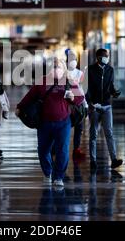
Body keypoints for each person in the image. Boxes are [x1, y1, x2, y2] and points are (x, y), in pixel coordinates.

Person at [16, 58, 84, 187]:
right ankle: (48, 172)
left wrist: (73, 97)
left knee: (62, 151)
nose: (55, 68)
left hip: (63, 123)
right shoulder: (42, 82)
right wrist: (19, 107)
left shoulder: (69, 81)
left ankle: (59, 177)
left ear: (63, 68)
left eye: (58, 66)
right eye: (53, 66)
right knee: (43, 150)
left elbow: (80, 98)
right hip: (44, 123)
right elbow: (29, 96)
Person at [86, 49, 123, 170]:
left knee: (109, 133)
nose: (107, 58)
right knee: (93, 133)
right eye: (104, 56)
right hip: (94, 106)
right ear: (98, 57)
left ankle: (113, 160)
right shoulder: (90, 70)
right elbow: (86, 88)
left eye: (107, 56)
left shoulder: (110, 70)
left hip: (107, 105)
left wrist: (115, 93)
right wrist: (89, 102)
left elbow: (110, 86)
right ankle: (93, 160)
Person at [65, 49, 87, 160]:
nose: (73, 61)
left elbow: (82, 89)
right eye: (70, 60)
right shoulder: (63, 73)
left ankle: (76, 149)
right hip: (67, 105)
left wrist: (85, 104)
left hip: (79, 104)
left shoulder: (80, 73)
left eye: (74, 59)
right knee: (66, 127)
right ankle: (62, 148)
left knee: (79, 127)